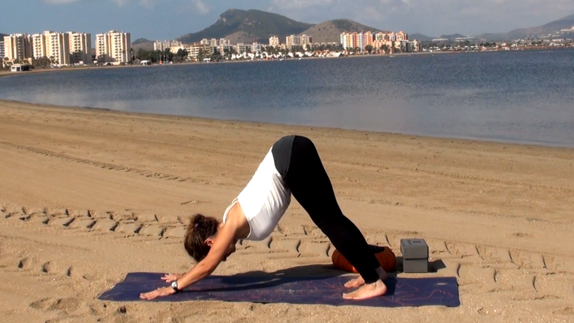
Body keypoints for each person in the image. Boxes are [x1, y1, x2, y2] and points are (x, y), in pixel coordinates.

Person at [140, 135, 387, 300]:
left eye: (218, 254)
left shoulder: (228, 227)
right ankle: (374, 270)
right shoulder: (229, 219)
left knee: (330, 221)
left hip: (291, 159)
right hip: (291, 150)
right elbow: (205, 265)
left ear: (210, 243)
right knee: (334, 218)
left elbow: (207, 266)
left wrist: (174, 287)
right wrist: (185, 275)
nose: (223, 258)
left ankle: (374, 282)